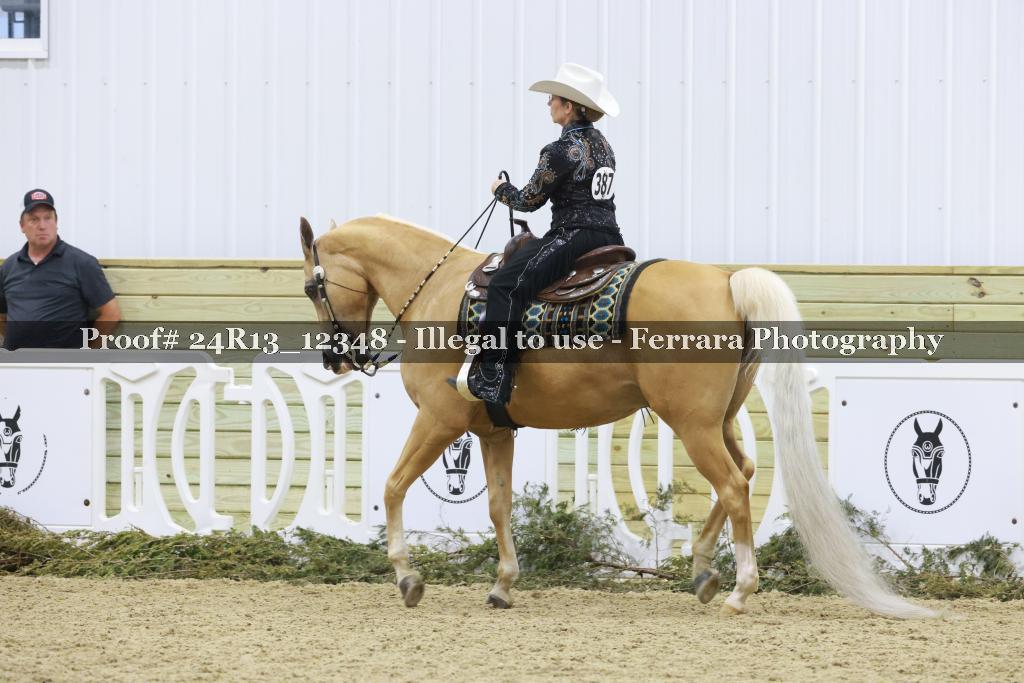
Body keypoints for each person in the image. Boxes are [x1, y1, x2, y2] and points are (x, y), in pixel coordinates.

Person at [451, 63, 623, 405]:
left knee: (505, 285)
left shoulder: (560, 150)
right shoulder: (605, 146)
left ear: (568, 106)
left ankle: (494, 375)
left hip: (573, 236)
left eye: (553, 98)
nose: (548, 103)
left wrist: (500, 190)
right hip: (610, 237)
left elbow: (528, 201)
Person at [0, 189, 121, 350]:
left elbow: (111, 313)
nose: (42, 226)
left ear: (56, 222)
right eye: (34, 219)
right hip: (17, 361)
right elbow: (2, 315)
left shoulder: (81, 263)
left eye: (48, 218)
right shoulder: (9, 267)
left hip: (64, 362)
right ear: (22, 226)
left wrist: (89, 353)